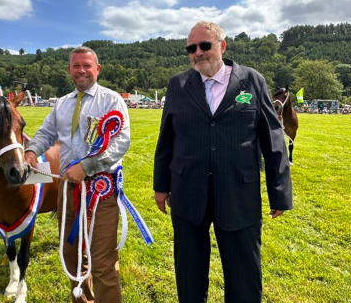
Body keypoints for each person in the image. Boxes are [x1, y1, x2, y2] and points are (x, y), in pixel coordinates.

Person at [153, 21, 293, 303]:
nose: (198, 53)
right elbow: (166, 138)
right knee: (189, 275)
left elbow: (273, 137)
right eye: (191, 48)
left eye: (205, 45)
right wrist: (161, 185)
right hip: (188, 191)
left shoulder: (252, 81)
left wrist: (279, 192)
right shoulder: (178, 84)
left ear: (222, 46)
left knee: (244, 275)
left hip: (238, 193)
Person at [24, 46, 130, 303]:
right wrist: (30, 151)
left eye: (87, 65)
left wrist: (88, 167)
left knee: (102, 261)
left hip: (100, 191)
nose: (81, 70)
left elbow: (121, 141)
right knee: (71, 256)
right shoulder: (61, 103)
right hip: (67, 191)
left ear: (97, 69)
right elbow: (45, 134)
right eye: (76, 66)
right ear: (69, 70)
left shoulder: (111, 99)